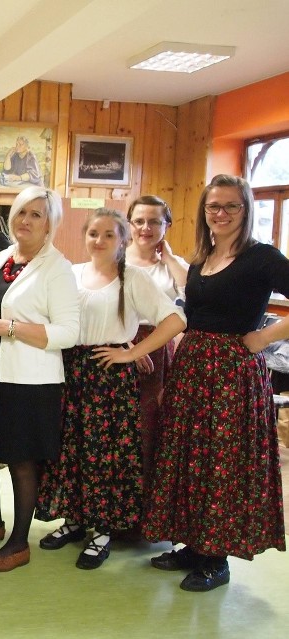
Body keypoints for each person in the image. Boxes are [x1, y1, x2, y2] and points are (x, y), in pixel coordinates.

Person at [144, 175, 289, 591]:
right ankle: (194, 544)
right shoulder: (200, 260)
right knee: (190, 459)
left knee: (223, 465)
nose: (221, 214)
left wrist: (264, 336)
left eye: (231, 206)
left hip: (233, 375)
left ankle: (217, 558)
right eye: (213, 207)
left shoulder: (262, 257)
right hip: (192, 372)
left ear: (246, 210)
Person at [35, 208, 185, 570]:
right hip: (69, 371)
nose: (99, 241)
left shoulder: (132, 278)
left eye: (108, 235)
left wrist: (133, 352)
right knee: (70, 448)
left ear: (122, 240)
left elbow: (175, 319)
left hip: (107, 375)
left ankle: (102, 531)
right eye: (93, 234)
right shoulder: (70, 273)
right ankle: (74, 520)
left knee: (105, 455)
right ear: (84, 236)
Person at [0, 187, 80, 573]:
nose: (25, 220)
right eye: (21, 212)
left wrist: (8, 327)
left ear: (50, 225)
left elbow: (67, 333)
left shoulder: (57, 268)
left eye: (37, 215)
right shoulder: (1, 259)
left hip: (29, 380)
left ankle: (18, 542)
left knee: (21, 459)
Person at [124, 195, 189, 488]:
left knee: (151, 428)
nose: (145, 228)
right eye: (139, 221)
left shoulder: (175, 266)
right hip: (120, 345)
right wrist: (129, 348)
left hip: (161, 351)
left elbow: (194, 303)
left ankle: (145, 514)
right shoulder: (116, 259)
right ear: (129, 224)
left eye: (154, 222)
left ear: (167, 225)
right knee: (118, 429)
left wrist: (171, 259)